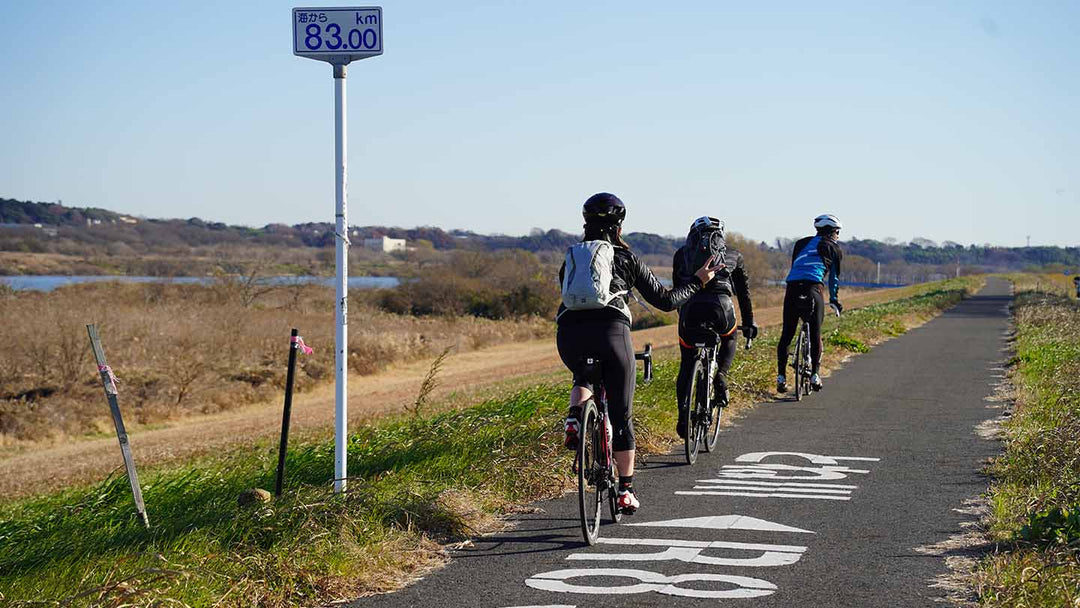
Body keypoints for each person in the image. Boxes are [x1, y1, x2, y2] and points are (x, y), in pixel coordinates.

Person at [557, 193, 723, 514]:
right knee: (621, 416)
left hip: (569, 333)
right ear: (619, 224)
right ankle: (625, 490)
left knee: (583, 373)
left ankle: (576, 416)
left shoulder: (572, 257)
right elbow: (666, 300)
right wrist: (698, 282)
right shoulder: (626, 258)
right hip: (611, 332)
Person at [671, 216, 757, 437]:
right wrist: (748, 323)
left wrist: (684, 318)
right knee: (729, 338)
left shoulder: (682, 254)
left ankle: (683, 419)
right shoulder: (734, 254)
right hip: (721, 306)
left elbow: (678, 291)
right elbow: (744, 293)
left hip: (691, 308)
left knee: (687, 362)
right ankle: (721, 376)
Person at [776, 214, 844, 393]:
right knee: (815, 333)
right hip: (813, 289)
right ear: (833, 231)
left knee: (787, 334)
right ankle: (815, 374)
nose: (838, 235)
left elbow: (795, 267)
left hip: (792, 288)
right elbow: (834, 279)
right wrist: (834, 300)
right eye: (838, 232)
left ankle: (781, 377)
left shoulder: (800, 244)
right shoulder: (834, 248)